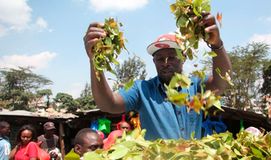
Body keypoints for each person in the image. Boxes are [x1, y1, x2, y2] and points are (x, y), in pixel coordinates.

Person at [83, 12, 231, 140]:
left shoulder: (196, 86)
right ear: (153, 61)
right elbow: (108, 104)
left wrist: (217, 44)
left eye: (172, 57)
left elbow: (222, 82)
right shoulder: (141, 90)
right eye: (160, 59)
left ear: (183, 58)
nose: (165, 63)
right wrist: (95, 61)